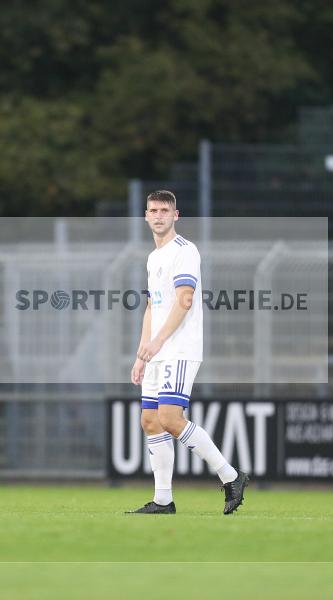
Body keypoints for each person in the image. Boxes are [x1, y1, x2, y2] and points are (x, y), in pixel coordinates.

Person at [128, 190, 249, 515]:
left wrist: (159, 342)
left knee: (169, 418)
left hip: (179, 348)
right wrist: (142, 352)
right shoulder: (153, 258)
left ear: (175, 215)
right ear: (145, 216)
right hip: (158, 350)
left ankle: (231, 476)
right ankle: (163, 500)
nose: (158, 215)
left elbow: (184, 300)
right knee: (150, 420)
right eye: (152, 210)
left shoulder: (185, 251)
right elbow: (152, 306)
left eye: (164, 210)